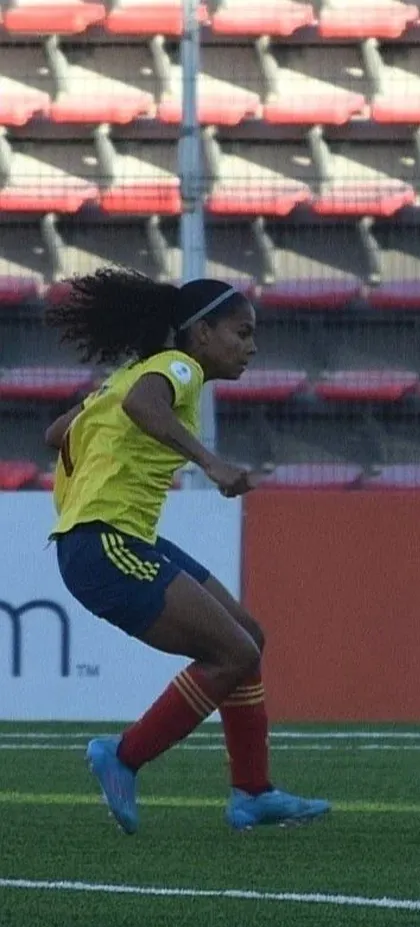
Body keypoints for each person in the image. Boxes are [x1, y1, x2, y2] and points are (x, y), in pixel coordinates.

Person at [43, 267, 330, 835]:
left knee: (248, 637)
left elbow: (57, 432)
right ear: (200, 334)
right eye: (241, 333)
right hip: (105, 542)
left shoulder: (128, 376)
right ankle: (123, 756)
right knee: (232, 653)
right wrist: (209, 461)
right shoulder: (179, 368)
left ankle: (252, 791)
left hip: (121, 537)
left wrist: (98, 432)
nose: (251, 346)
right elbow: (142, 408)